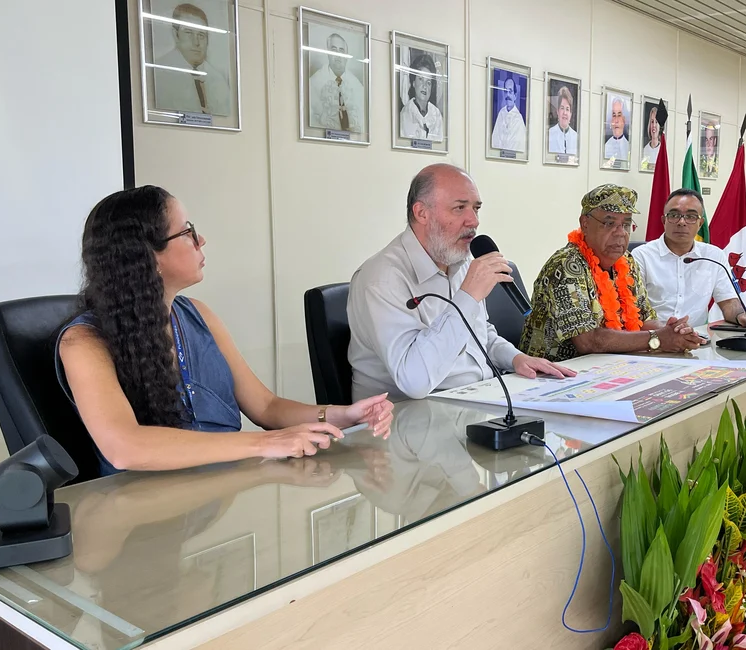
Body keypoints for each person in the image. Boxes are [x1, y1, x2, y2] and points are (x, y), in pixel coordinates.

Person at [56, 186, 393, 476]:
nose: (200, 240)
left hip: (222, 490)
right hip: (142, 511)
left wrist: (342, 414)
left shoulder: (198, 315)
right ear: (147, 255)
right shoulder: (83, 343)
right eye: (187, 232)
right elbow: (124, 448)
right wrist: (264, 444)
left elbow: (267, 407)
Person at [348, 164, 574, 401]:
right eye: (459, 208)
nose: (473, 221)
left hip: (478, 398)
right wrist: (467, 296)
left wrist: (516, 358)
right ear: (421, 213)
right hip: (408, 417)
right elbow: (414, 381)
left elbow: (480, 335)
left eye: (476, 208)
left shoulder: (458, 259)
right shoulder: (382, 279)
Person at [520, 184, 704, 362]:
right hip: (553, 372)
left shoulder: (627, 261)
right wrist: (658, 338)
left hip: (610, 366)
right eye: (609, 223)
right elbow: (588, 341)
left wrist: (675, 331)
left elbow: (643, 320)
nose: (620, 233)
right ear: (585, 223)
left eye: (626, 224)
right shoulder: (567, 266)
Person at [632, 189, 746, 329]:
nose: (682, 222)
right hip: (652, 339)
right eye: (674, 215)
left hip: (697, 342)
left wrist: (742, 316)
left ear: (700, 223)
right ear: (664, 221)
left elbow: (728, 302)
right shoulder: (641, 256)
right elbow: (633, 310)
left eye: (690, 216)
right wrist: (668, 333)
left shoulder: (714, 256)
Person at [153, 3, 232, 117]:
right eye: (189, 33)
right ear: (176, 35)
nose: (196, 43)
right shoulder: (159, 73)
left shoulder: (218, 79)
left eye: (201, 35)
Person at [308, 33, 365, 133]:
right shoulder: (313, 83)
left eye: (341, 50)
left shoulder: (358, 86)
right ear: (328, 53)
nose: (338, 55)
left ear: (347, 56)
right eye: (334, 50)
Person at [399, 52, 443, 141]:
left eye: (428, 82)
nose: (425, 86)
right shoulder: (405, 113)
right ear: (414, 82)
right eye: (421, 79)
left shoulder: (436, 114)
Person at [490, 77, 526, 152]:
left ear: (515, 96)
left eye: (510, 91)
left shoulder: (518, 119)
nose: (507, 95)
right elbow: (495, 139)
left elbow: (518, 145)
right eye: (505, 91)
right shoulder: (501, 113)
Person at [548, 86, 578, 155]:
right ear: (557, 111)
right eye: (562, 108)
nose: (564, 113)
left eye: (567, 109)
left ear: (570, 113)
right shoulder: (549, 134)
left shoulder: (576, 137)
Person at [641, 105, 661, 170]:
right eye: (652, 122)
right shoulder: (644, 150)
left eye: (656, 122)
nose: (654, 125)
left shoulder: (663, 150)